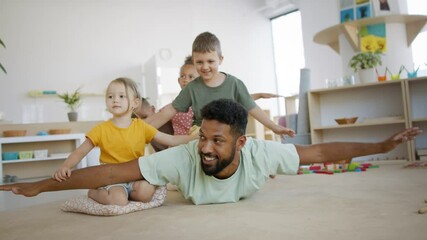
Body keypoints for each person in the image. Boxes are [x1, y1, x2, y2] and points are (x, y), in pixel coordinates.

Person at [0, 99, 422, 205]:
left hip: (251, 180)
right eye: (203, 136)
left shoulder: (260, 152)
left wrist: (383, 147)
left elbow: (321, 152)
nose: (205, 147)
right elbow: (111, 174)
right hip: (187, 188)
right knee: (140, 182)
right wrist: (39, 186)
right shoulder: (183, 157)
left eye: (217, 141)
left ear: (240, 142)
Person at [52, 77, 195, 206]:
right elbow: (80, 151)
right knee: (118, 201)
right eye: (110, 96)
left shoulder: (141, 126)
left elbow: (170, 139)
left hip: (135, 175)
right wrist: (66, 166)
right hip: (112, 178)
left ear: (135, 102)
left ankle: (126, 194)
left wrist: (196, 137)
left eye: (121, 96)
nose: (115, 100)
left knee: (146, 192)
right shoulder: (101, 129)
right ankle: (94, 192)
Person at [146, 32, 294, 137]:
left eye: (210, 61)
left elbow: (253, 108)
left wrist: (275, 127)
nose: (205, 67)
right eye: (199, 62)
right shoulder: (191, 88)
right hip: (201, 132)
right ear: (194, 61)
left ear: (220, 59)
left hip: (228, 131)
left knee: (245, 146)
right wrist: (142, 129)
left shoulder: (235, 84)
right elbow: (169, 111)